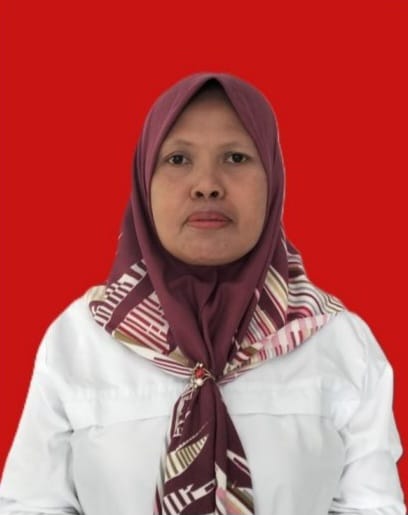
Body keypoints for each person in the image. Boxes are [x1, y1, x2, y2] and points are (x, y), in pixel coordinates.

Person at [0, 72, 405, 515]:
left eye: (236, 157)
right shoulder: (80, 337)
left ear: (273, 179)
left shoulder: (338, 341)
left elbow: (371, 507)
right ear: (144, 182)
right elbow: (32, 505)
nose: (207, 183)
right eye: (178, 159)